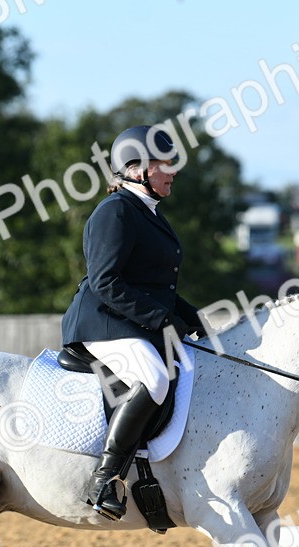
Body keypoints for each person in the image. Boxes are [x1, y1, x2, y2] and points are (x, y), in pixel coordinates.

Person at [60, 125, 206, 520]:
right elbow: (106, 282)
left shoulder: (148, 212)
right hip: (102, 323)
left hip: (129, 321)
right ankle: (106, 478)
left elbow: (154, 285)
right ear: (137, 168)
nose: (173, 171)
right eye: (166, 164)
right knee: (155, 378)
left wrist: (193, 319)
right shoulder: (116, 212)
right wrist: (163, 322)